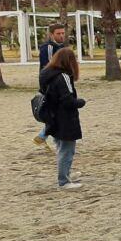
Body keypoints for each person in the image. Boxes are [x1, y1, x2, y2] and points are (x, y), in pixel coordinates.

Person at [39, 48, 86, 190]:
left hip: (52, 116)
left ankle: (65, 173)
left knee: (61, 146)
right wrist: (80, 102)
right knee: (67, 149)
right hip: (64, 118)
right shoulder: (63, 76)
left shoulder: (46, 74)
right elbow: (67, 101)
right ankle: (64, 181)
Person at [34, 21, 66, 147]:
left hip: (60, 84)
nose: (61, 36)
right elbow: (47, 67)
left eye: (63, 33)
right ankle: (44, 135)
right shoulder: (47, 47)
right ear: (51, 34)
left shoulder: (62, 47)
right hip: (50, 86)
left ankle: (44, 135)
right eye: (58, 33)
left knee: (59, 112)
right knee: (56, 112)